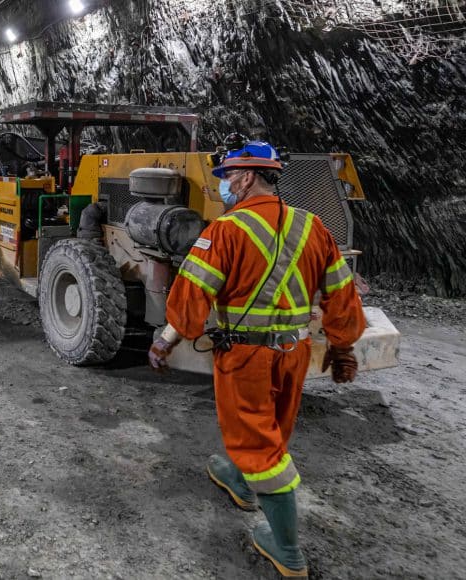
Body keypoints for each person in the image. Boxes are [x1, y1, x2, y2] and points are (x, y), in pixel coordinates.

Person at [148, 141, 366, 578]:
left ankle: (286, 549)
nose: (225, 185)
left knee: (258, 444)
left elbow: (192, 298)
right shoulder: (314, 227)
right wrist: (342, 348)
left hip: (247, 356)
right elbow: (342, 294)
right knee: (274, 428)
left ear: (247, 177)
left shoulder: (225, 230)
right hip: (295, 351)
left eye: (228, 177)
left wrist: (165, 340)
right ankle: (239, 478)